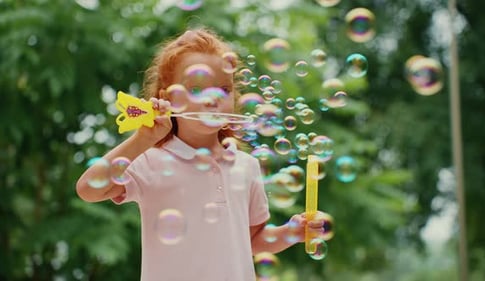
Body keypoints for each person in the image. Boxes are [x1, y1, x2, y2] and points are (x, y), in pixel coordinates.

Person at [76, 28, 324, 281]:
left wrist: (292, 232)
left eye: (224, 90)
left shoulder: (246, 166)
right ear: (167, 99)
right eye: (196, 90)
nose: (212, 99)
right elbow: (88, 188)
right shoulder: (150, 160)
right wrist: (143, 139)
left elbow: (251, 241)